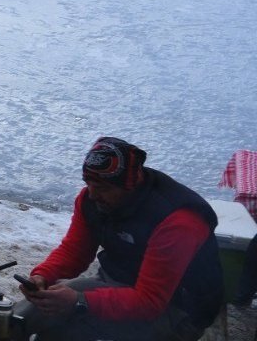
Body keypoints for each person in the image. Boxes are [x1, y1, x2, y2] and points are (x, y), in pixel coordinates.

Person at [11, 136, 223, 341]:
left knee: (70, 320)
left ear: (130, 186)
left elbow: (149, 302)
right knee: (42, 312)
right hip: (118, 282)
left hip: (178, 310)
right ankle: (2, 328)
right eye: (88, 183)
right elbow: (74, 252)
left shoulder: (177, 220)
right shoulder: (92, 201)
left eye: (103, 188)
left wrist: (80, 301)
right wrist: (43, 275)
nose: (92, 194)